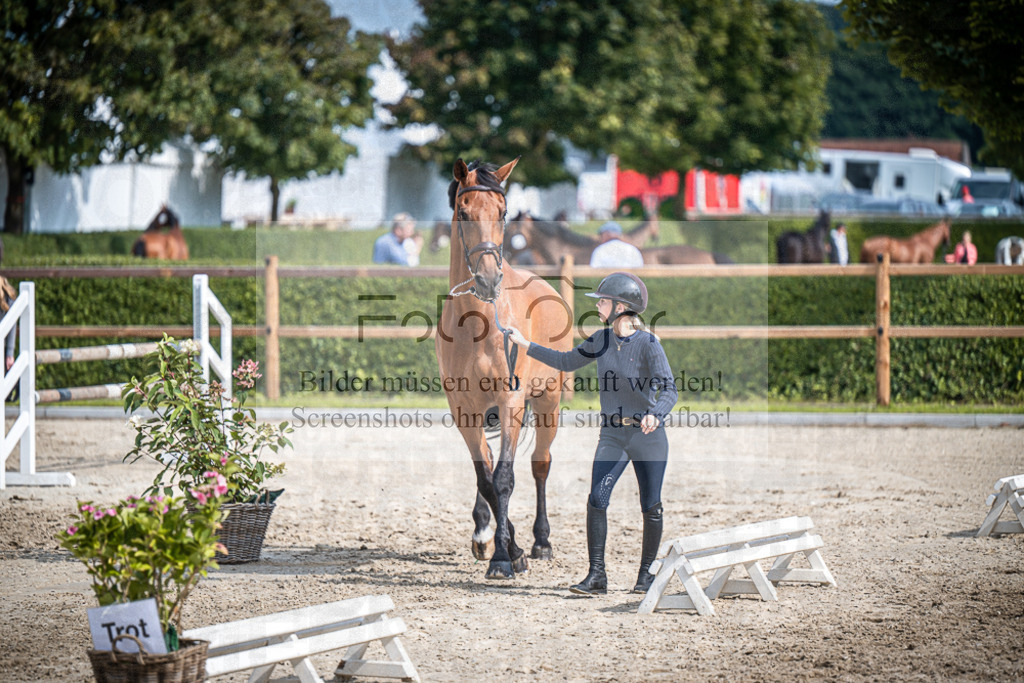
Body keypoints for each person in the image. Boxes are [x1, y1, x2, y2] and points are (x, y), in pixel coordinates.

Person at [508, 272, 677, 595]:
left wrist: (656, 416)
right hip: (612, 435)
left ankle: (646, 576)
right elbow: (565, 361)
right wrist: (524, 344)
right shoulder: (600, 340)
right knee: (597, 500)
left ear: (620, 307)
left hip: (646, 436)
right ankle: (596, 575)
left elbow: (669, 390)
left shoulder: (648, 344)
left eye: (602, 301)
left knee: (650, 504)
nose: (597, 306)